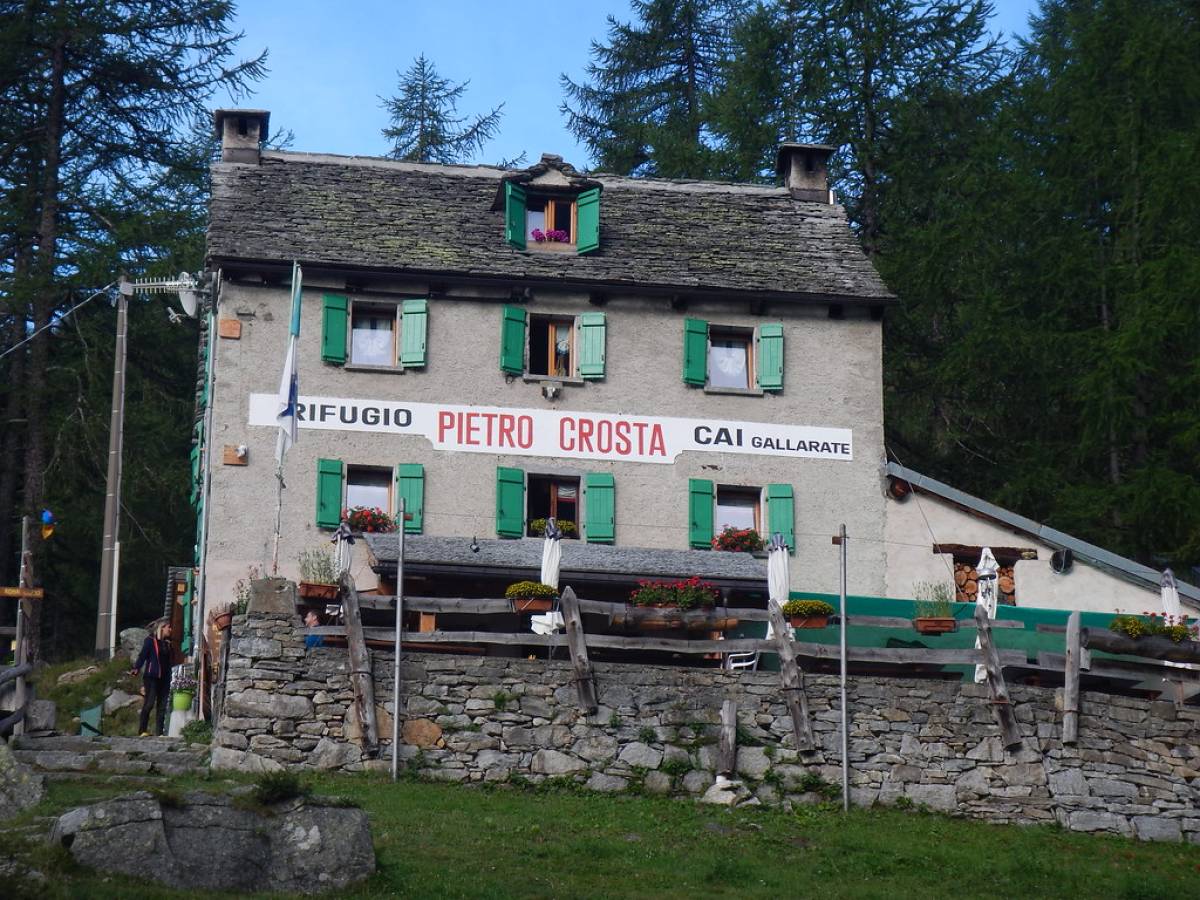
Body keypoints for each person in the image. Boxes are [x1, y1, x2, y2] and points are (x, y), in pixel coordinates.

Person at [130, 620, 173, 737]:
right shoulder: (150, 641)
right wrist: (136, 668)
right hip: (152, 677)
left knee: (162, 706)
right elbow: (143, 655)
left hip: (165, 678)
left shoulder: (168, 644)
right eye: (168, 627)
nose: (170, 630)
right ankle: (142, 730)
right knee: (149, 703)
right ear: (162, 628)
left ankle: (159, 733)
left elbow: (169, 662)